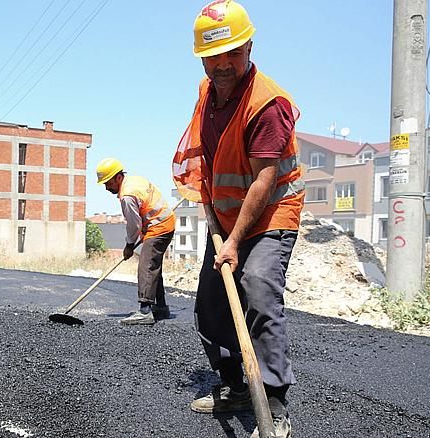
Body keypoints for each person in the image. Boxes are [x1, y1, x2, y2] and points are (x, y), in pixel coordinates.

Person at [172, 1, 304, 437]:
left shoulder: (267, 104)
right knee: (210, 304)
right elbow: (209, 155)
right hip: (226, 214)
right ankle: (236, 386)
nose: (224, 64)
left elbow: (264, 180)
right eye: (214, 56)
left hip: (271, 213)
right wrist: (207, 200)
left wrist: (233, 242)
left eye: (233, 53)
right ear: (202, 57)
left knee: (257, 288)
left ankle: (275, 401)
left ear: (248, 46)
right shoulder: (205, 92)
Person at [96, 158, 175, 325]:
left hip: (159, 226)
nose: (106, 187)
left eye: (108, 183)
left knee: (146, 265)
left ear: (118, 177)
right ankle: (161, 307)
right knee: (153, 265)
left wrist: (129, 245)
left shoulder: (127, 195)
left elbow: (134, 225)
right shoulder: (134, 181)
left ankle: (145, 310)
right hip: (164, 222)